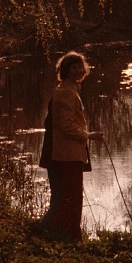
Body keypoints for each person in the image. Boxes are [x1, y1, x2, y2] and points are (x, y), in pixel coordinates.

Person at [37, 51, 103, 242]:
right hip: (67, 154)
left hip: (70, 152)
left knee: (68, 198)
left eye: (79, 66)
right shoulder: (65, 92)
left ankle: (59, 234)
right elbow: (66, 126)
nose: (78, 70)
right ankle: (65, 237)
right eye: (73, 66)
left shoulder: (70, 89)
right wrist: (88, 135)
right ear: (65, 70)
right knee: (71, 199)